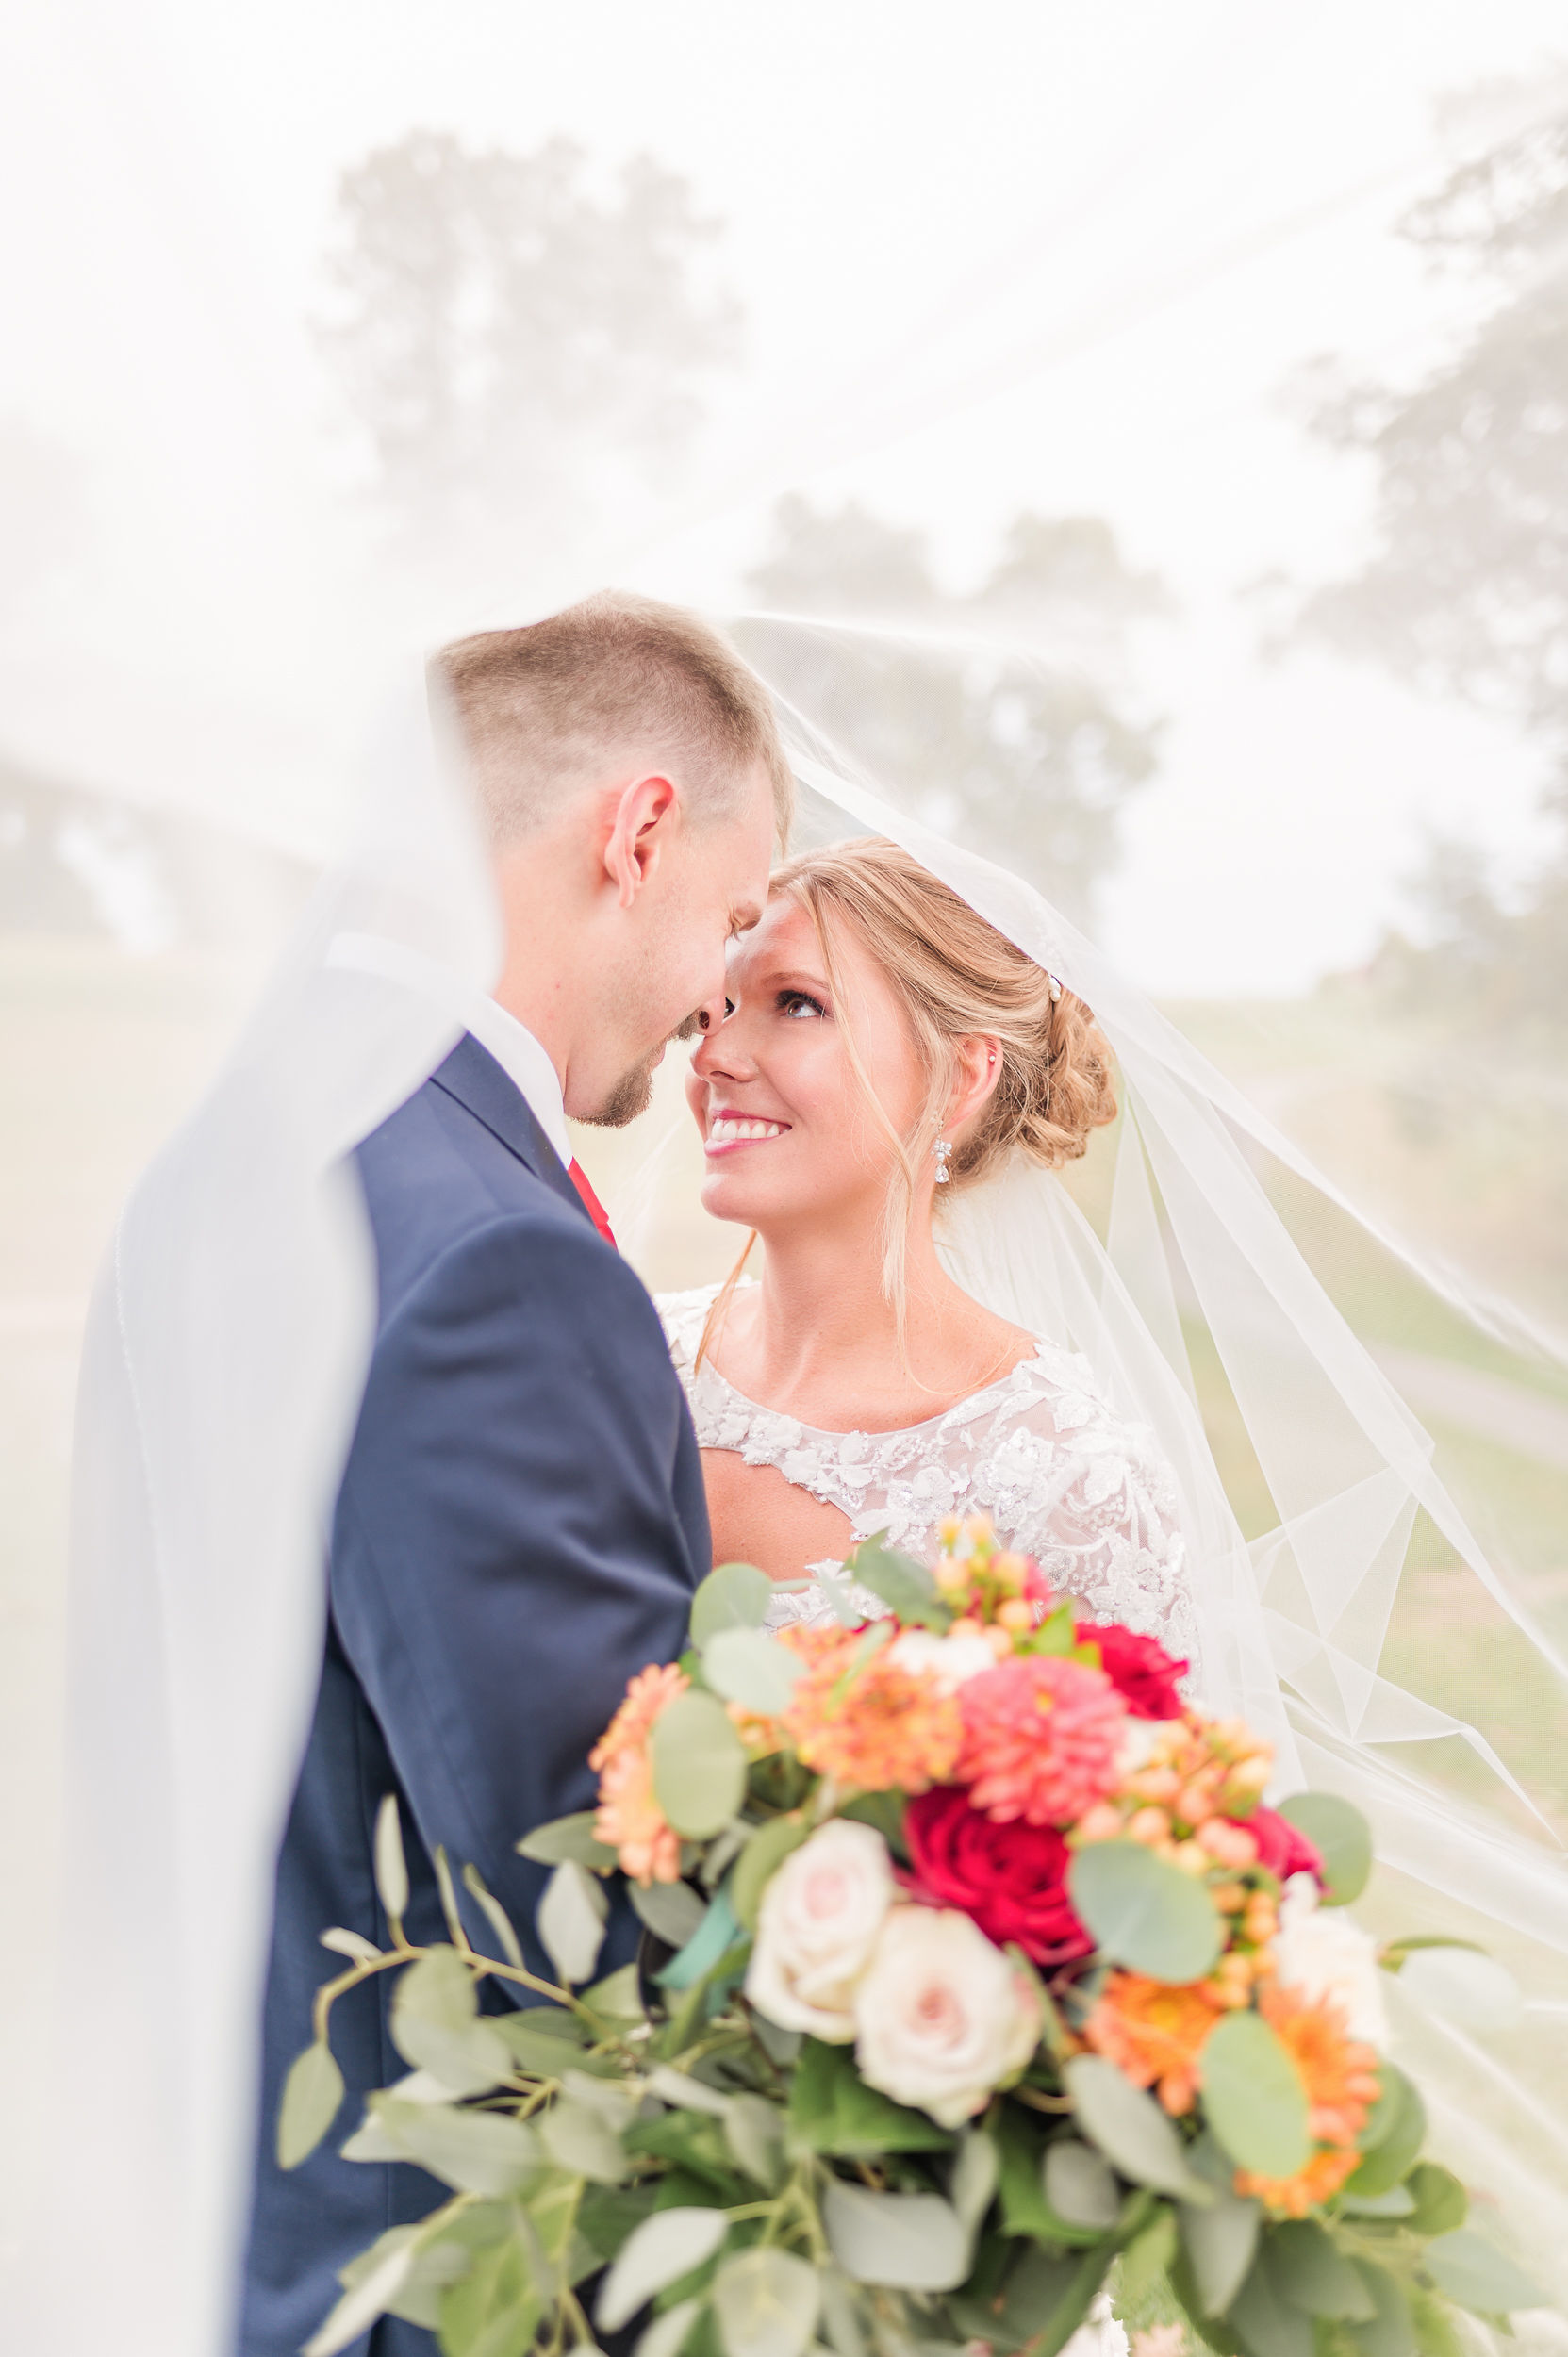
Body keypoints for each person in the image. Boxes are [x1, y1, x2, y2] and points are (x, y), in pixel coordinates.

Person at [237, 591, 789, 2356]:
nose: (715, 998)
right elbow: (581, 1901)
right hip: (446, 2283)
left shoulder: (245, 1157)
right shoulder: (489, 1250)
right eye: (728, 914)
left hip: (246, 2221)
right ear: (635, 832)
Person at [658, 836, 1197, 1667]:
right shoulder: (629, 1357)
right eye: (717, 1007)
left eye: (795, 1003)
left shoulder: (1064, 1484)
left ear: (958, 1077)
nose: (714, 1057)